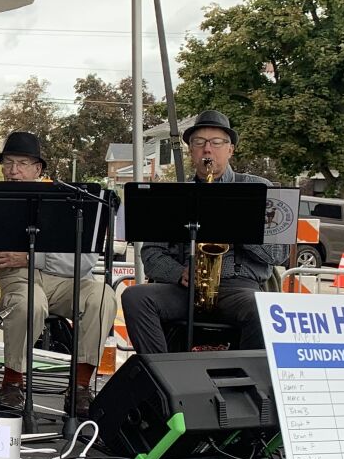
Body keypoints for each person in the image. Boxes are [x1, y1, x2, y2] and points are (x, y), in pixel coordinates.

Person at [0, 132, 117, 413]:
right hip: (12, 281)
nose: (14, 170)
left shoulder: (69, 202)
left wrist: (30, 258)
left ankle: (81, 388)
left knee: (103, 296)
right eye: (9, 163)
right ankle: (12, 383)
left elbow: (84, 264)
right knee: (29, 301)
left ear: (38, 169)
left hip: (63, 281)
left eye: (22, 163)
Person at [121, 110, 288, 354]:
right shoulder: (173, 196)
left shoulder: (260, 188)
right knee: (135, 297)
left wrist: (238, 226)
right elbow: (151, 255)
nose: (207, 149)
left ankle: (247, 383)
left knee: (261, 308)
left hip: (239, 288)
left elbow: (279, 253)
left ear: (230, 149)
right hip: (186, 288)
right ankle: (161, 378)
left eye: (216, 142)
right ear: (191, 151)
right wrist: (180, 273)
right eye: (199, 143)